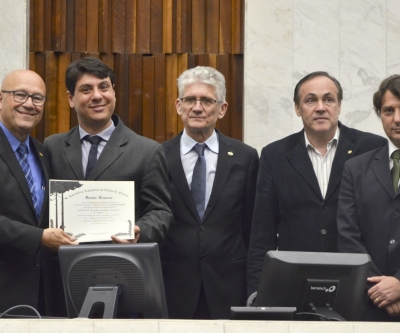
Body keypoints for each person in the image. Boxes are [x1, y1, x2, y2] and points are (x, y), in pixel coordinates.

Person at [247, 71, 387, 296]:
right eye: (310, 100)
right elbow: (262, 233)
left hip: (361, 285)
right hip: (294, 283)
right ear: (297, 108)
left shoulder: (372, 147)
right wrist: (255, 293)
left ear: (339, 105)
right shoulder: (275, 155)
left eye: (328, 99)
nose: (320, 107)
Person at [160, 66, 259, 319]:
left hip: (228, 286)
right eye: (190, 99)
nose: (197, 107)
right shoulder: (158, 156)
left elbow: (250, 227)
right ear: (178, 105)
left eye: (206, 100)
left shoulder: (245, 157)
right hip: (173, 286)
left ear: (222, 109)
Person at [44, 57, 173, 244]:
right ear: (71, 99)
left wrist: (139, 232)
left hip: (119, 264)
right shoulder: (52, 147)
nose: (97, 96)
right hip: (62, 265)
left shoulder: (147, 151)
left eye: (104, 87)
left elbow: (160, 211)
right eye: (86, 89)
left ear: (114, 92)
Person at [0, 70, 76, 316]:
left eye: (38, 98)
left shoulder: (43, 153)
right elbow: (38, 232)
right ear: (1, 99)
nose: (29, 104)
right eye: (20, 95)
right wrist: (38, 237)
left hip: (43, 297)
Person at [337, 74, 400, 321]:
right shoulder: (356, 169)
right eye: (388, 110)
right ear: (379, 114)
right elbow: (347, 237)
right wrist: (379, 289)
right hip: (368, 306)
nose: (397, 119)